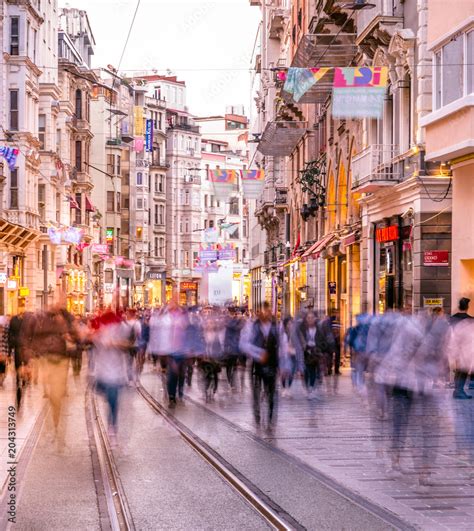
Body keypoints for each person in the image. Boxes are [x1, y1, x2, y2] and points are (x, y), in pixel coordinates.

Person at [91, 311, 130, 446]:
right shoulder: (98, 333)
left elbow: (128, 344)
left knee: (113, 399)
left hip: (115, 374)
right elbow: (87, 338)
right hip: (102, 373)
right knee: (106, 393)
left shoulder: (120, 331)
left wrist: (115, 343)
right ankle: (112, 426)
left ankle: (112, 426)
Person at [240, 302, 279, 429]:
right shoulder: (252, 326)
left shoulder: (276, 327)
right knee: (256, 390)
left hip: (272, 363)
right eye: (263, 311)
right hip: (257, 366)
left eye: (268, 310)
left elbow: (282, 345)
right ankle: (257, 414)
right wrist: (258, 354)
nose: (266, 313)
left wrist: (285, 366)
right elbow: (244, 344)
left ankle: (270, 417)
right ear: (258, 312)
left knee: (272, 392)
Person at [298, 311, 327, 398]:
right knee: (307, 370)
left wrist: (320, 348)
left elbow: (323, 340)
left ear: (315, 319)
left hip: (315, 352)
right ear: (306, 319)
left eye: (312, 318)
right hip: (306, 352)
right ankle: (308, 387)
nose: (310, 319)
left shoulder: (319, 329)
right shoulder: (303, 329)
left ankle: (311, 387)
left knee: (314, 369)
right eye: (308, 318)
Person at [450, 297, 474, 397]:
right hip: (466, 348)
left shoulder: (452, 319)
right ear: (467, 307)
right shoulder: (470, 320)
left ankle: (458, 390)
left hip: (455, 347)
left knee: (459, 369)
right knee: (463, 370)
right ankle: (459, 391)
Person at [280, 316, 297, 397]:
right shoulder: (282, 334)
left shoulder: (294, 334)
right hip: (283, 355)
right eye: (289, 324)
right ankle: (284, 389)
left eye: (291, 323)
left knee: (291, 373)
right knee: (283, 373)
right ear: (285, 324)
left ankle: (288, 389)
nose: (290, 325)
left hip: (292, 355)